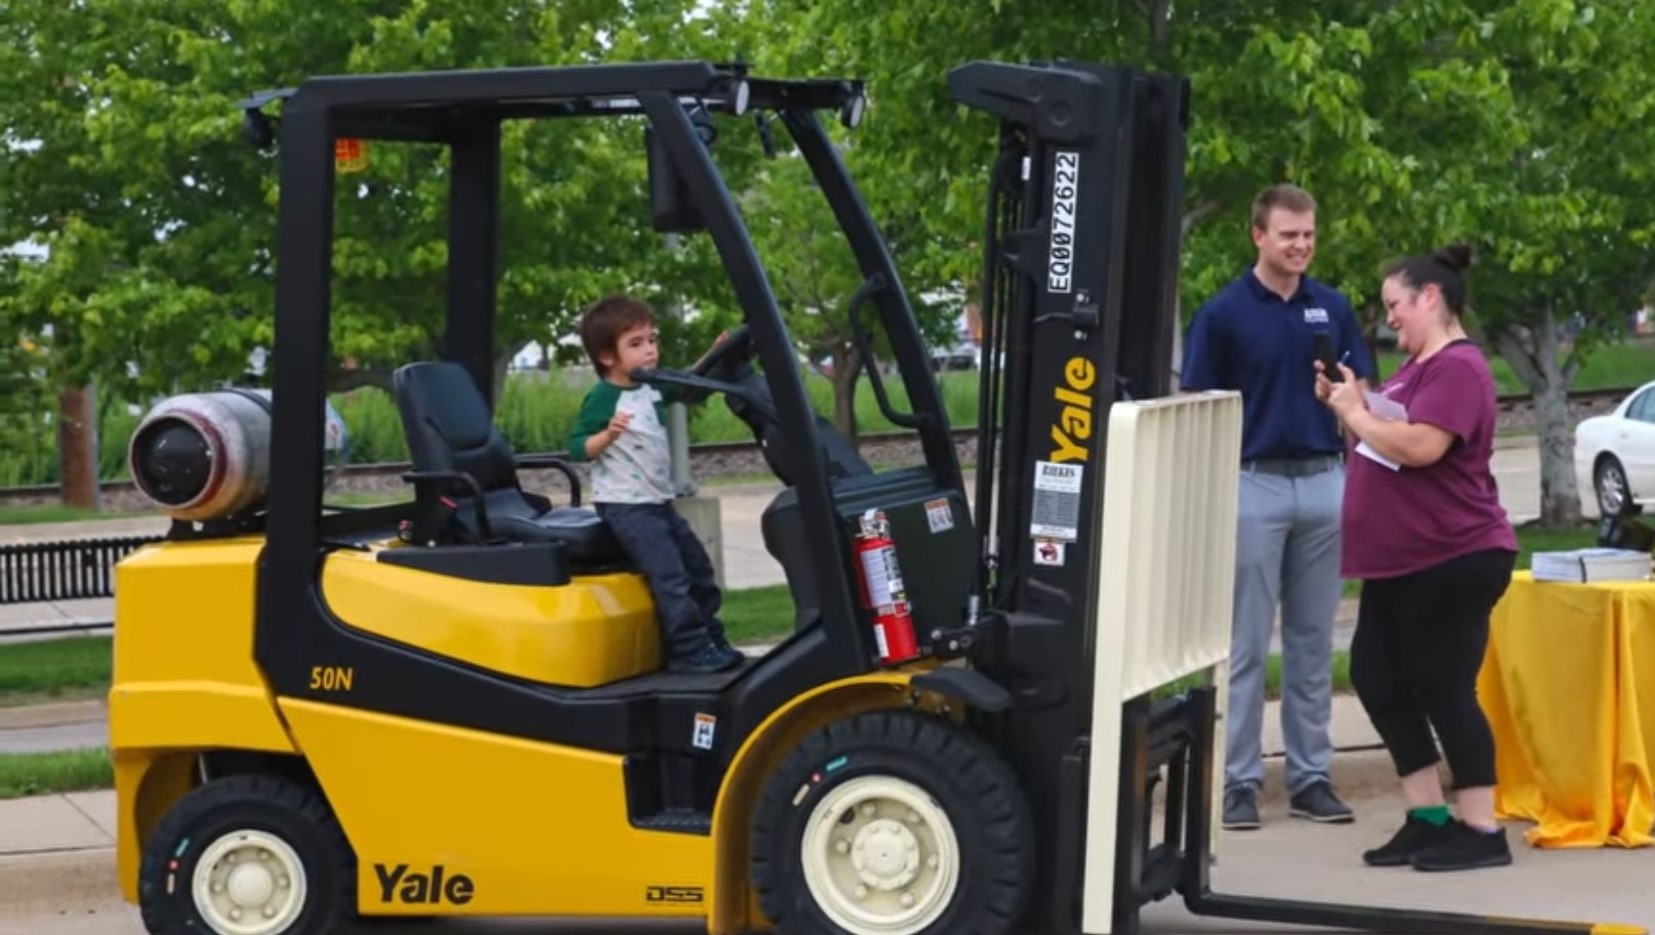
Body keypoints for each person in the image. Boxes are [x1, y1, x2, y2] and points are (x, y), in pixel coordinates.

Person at [1317, 244, 1519, 872]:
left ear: (1430, 297)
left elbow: (1423, 447)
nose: (1390, 319)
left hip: (1453, 555)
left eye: (1395, 305)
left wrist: (1358, 413)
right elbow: (1388, 439)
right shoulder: (1417, 371)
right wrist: (1350, 404)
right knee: (1377, 677)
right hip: (1401, 561)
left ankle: (1482, 830)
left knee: (1443, 686)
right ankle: (1428, 816)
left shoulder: (1458, 368)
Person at [1181, 183, 1374, 830]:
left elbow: (1361, 399)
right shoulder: (1223, 314)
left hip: (1323, 480)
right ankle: (1237, 780)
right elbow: (1198, 412)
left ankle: (1310, 776)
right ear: (1257, 235)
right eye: (1288, 234)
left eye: (1308, 234)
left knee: (1313, 639)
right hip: (1252, 482)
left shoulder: (1333, 308)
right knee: (1243, 643)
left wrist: (1346, 405)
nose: (1300, 245)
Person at [569, 295, 742, 674]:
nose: (649, 350)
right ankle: (688, 650)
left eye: (652, 340)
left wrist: (713, 355)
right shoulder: (603, 398)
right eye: (636, 343)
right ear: (607, 357)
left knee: (698, 569)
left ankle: (710, 639)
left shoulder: (649, 388)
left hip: (657, 501)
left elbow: (686, 386)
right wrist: (607, 437)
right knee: (671, 576)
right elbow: (577, 447)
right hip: (626, 506)